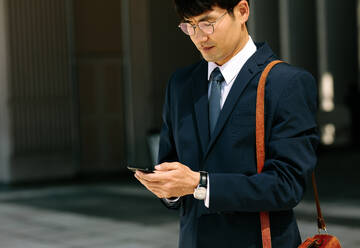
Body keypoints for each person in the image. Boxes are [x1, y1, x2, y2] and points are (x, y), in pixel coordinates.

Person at [134, 0, 319, 247]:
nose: (199, 36)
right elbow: (173, 169)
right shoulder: (180, 85)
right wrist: (168, 189)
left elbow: (287, 186)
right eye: (189, 26)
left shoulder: (286, 83)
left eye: (207, 23)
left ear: (242, 11)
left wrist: (201, 185)